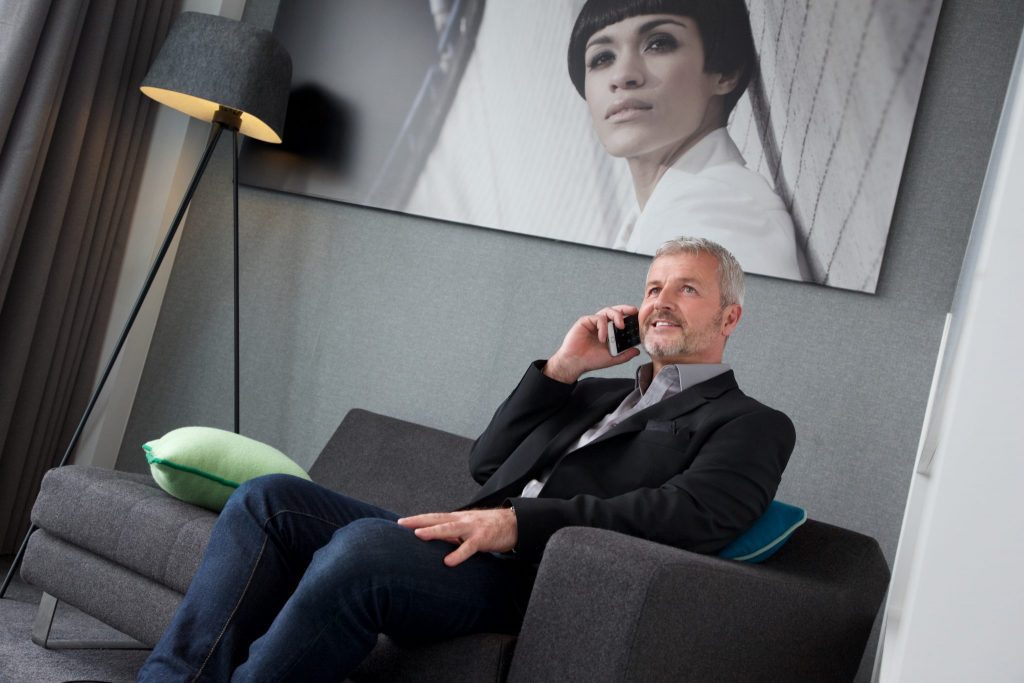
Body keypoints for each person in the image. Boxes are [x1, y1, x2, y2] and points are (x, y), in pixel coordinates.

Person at [138, 236, 795, 681]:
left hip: (537, 576)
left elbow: (694, 515)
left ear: (729, 316)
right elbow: (489, 461)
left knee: (365, 549)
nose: (659, 301)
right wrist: (563, 368)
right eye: (653, 287)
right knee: (268, 497)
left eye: (686, 290)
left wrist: (519, 524)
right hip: (472, 544)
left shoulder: (752, 424)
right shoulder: (594, 393)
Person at [568, 0, 810, 281]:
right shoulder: (657, 220)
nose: (622, 76)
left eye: (658, 43)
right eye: (602, 58)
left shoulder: (720, 210)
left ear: (726, 72)